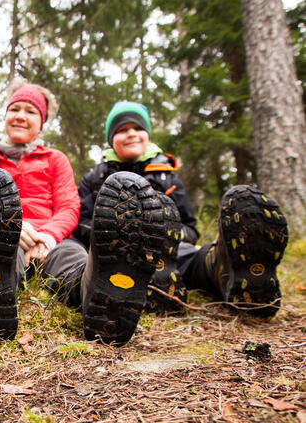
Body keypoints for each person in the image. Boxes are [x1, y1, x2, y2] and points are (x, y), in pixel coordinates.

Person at [70, 101, 288, 345]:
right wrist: (106, 233)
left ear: (147, 134)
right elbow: (81, 222)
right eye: (122, 130)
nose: (130, 133)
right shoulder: (94, 177)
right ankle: (156, 276)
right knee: (108, 259)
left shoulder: (167, 175)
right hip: (113, 253)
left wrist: (164, 233)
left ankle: (222, 268)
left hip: (169, 251)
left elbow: (190, 229)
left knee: (186, 254)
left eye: (137, 128)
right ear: (112, 139)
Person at [0, 80, 80, 340]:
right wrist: (12, 227)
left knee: (74, 258)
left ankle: (100, 294)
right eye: (15, 109)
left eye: (31, 111)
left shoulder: (55, 159)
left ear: (41, 123)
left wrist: (46, 237)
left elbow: (68, 207)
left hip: (51, 241)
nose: (21, 116)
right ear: (5, 116)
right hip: (4, 238)